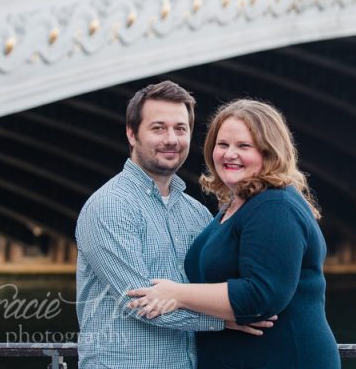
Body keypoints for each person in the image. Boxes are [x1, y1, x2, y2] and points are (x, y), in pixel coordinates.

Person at [127, 99, 341, 368]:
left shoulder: (275, 206)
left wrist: (178, 295)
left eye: (244, 146)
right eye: (223, 144)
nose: (229, 154)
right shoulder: (238, 205)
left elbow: (261, 296)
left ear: (269, 151)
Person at [76, 82, 271, 369]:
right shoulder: (109, 206)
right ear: (132, 134)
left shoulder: (196, 213)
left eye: (180, 129)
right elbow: (141, 301)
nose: (171, 139)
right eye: (158, 128)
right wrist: (227, 317)